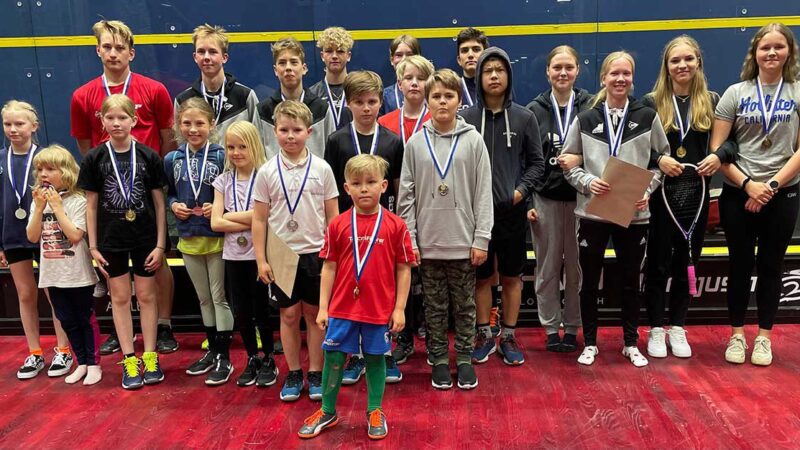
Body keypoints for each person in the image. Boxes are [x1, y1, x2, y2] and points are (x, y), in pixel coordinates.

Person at [70, 19, 177, 355]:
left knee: (157, 261)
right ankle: (124, 331)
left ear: (131, 52)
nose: (113, 53)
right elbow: (85, 145)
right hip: (110, 194)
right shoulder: (83, 95)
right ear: (97, 50)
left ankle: (163, 324)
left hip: (148, 187)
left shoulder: (154, 89)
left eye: (120, 47)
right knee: (115, 273)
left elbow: (168, 138)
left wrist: (149, 173)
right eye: (107, 47)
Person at [562, 51, 669, 368]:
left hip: (634, 214)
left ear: (632, 78)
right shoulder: (586, 119)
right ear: (603, 78)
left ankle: (630, 343)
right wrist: (588, 182)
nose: (620, 79)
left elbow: (660, 162)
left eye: (626, 73)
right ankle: (590, 343)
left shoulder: (647, 116)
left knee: (631, 280)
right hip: (592, 213)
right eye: (614, 73)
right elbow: (569, 165)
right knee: (588, 280)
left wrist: (647, 190)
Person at [298, 154, 414, 440]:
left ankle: (375, 410)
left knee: (376, 358)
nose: (364, 188)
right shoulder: (337, 224)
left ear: (384, 186)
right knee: (334, 356)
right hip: (341, 307)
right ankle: (327, 410)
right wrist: (323, 307)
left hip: (378, 308)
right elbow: (329, 267)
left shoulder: (396, 225)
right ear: (346, 188)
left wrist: (399, 308)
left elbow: (404, 269)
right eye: (357, 183)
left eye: (371, 182)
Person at [398, 69, 493, 390]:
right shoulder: (415, 143)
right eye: (436, 96)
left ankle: (464, 358)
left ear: (458, 100)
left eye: (448, 96)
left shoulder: (473, 140)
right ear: (427, 100)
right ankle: (438, 358)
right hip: (428, 242)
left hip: (464, 241)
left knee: (465, 306)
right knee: (434, 307)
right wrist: (410, 240)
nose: (442, 102)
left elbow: (483, 193)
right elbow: (406, 196)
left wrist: (482, 238)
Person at [712, 22, 800, 366]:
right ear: (755, 53)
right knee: (739, 264)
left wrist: (771, 186)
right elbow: (718, 150)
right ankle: (736, 334)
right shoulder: (735, 93)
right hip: (739, 193)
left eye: (779, 46)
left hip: (782, 192)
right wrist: (749, 184)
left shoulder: (797, 91)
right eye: (765, 47)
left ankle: (764, 337)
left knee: (771, 266)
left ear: (789, 52)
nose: (772, 53)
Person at [78, 94, 168, 389]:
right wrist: (93, 246)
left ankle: (150, 356)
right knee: (119, 297)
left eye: (122, 117)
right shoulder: (94, 158)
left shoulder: (148, 156)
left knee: (146, 296)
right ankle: (130, 359)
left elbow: (159, 204)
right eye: (110, 118)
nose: (116, 123)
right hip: (111, 240)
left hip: (145, 238)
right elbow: (91, 205)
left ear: (134, 120)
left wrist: (160, 245)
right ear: (101, 121)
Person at [461, 47, 544, 366]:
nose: (494, 76)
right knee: (481, 277)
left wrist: (519, 193)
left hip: (512, 212)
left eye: (500, 70)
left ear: (508, 75)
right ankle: (484, 333)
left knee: (511, 276)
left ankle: (508, 336)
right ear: (479, 76)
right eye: (487, 70)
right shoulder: (466, 119)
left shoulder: (525, 117)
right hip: (475, 215)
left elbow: (537, 164)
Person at [252, 101, 339, 401]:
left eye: (297, 130)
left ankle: (315, 371)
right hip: (281, 254)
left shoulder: (322, 169)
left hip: (316, 252)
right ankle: (293, 372)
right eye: (284, 130)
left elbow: (333, 217)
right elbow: (259, 220)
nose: (290, 136)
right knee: (288, 315)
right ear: (274, 131)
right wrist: (261, 259)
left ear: (309, 132)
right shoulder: (266, 172)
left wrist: (334, 255)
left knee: (315, 314)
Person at [643, 35, 722, 359]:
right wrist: (658, 159)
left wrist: (718, 157)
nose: (682, 65)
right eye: (675, 60)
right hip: (661, 198)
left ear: (698, 62)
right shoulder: (651, 103)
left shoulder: (712, 100)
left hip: (696, 200)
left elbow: (731, 143)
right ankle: (656, 328)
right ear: (666, 67)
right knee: (658, 264)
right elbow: (636, 149)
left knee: (687, 262)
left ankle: (677, 326)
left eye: (688, 59)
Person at [323, 70, 405, 384]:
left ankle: (384, 352)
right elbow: (332, 189)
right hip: (349, 231)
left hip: (382, 230)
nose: (366, 108)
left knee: (382, 289)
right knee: (352, 290)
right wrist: (334, 227)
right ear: (348, 103)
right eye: (359, 102)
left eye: (372, 101)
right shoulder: (337, 140)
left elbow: (398, 188)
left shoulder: (392, 140)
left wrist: (398, 226)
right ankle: (355, 357)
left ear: (381, 101)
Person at [526, 45, 593, 352]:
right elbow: (526, 161)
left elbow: (601, 151)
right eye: (557, 67)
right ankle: (552, 327)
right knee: (547, 268)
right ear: (547, 72)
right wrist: (529, 202)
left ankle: (574, 326)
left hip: (582, 199)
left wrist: (578, 158)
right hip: (546, 199)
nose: (563, 73)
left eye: (568, 67)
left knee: (577, 268)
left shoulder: (591, 106)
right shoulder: (534, 110)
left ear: (577, 70)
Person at [1, 101, 72, 380]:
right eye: (8, 124)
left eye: (19, 124)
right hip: (12, 235)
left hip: (47, 234)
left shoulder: (45, 159)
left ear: (34, 126)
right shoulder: (1, 159)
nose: (13, 129)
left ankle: (63, 349)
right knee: (25, 293)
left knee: (54, 293)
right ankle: (34, 352)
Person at [165, 98, 232, 384]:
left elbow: (234, 190)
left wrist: (219, 206)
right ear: (178, 125)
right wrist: (173, 205)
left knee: (219, 297)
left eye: (200, 123)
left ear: (211, 125)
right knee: (203, 298)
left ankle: (224, 357)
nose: (193, 129)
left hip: (216, 237)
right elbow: (170, 192)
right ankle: (213, 350)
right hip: (188, 236)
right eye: (187, 123)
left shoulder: (221, 156)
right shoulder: (172, 159)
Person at [26, 145, 102, 385]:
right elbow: (32, 236)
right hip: (52, 274)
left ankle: (94, 364)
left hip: (77, 274)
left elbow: (75, 236)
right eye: (40, 169)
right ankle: (81, 363)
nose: (43, 174)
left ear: (66, 172)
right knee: (67, 320)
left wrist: (58, 207)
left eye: (50, 169)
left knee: (85, 319)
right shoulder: (38, 202)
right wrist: (39, 208)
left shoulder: (78, 201)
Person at [211, 121, 278, 387]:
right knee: (241, 312)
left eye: (242, 146)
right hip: (233, 257)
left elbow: (268, 216)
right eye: (230, 147)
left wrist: (230, 216)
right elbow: (215, 223)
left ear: (254, 146)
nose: (236, 152)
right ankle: (252, 357)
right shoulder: (223, 181)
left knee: (262, 310)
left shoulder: (266, 176)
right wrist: (251, 218)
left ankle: (269, 357)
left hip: (259, 255)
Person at [174, 23, 261, 139]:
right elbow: (180, 143)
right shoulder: (183, 100)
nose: (206, 57)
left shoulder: (245, 96)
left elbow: (257, 141)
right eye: (201, 51)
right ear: (195, 57)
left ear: (224, 57)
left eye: (212, 52)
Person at [257, 37, 334, 158]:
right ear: (275, 70)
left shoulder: (321, 109)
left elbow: (332, 155)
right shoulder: (263, 111)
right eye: (282, 63)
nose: (288, 68)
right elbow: (257, 156)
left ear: (304, 68)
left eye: (294, 62)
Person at [378, 55, 434, 144]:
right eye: (409, 78)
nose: (414, 83)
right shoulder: (384, 122)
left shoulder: (437, 121)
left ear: (429, 84)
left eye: (421, 78)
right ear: (400, 84)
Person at [309, 26, 354, 130]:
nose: (334, 56)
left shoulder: (357, 90)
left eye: (340, 51)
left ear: (349, 56)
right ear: (322, 56)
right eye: (329, 51)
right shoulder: (312, 94)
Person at [380, 34, 421, 116]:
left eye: (409, 55)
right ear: (392, 60)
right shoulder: (384, 97)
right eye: (399, 55)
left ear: (419, 58)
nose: (404, 59)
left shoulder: (429, 93)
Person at [455, 27, 489, 110]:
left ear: (485, 56)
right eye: (464, 50)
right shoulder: (453, 89)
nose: (470, 55)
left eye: (476, 49)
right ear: (459, 60)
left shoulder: (496, 87)